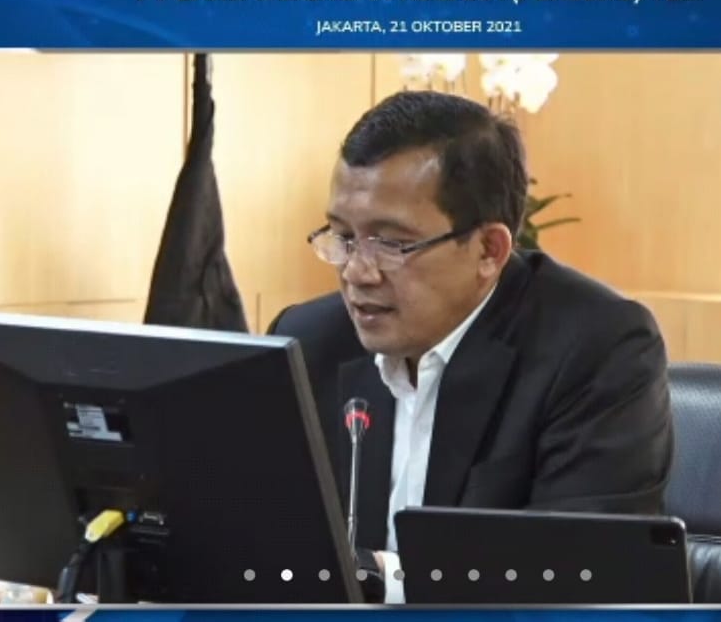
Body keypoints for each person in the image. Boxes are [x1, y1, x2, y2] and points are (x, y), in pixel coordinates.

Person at [268, 90, 673, 603]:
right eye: (343, 236)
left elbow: (577, 577)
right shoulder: (308, 341)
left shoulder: (596, 349)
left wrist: (366, 575)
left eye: (390, 243)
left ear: (488, 250)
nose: (357, 272)